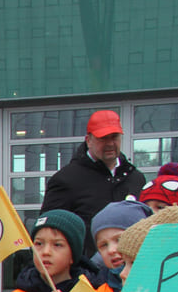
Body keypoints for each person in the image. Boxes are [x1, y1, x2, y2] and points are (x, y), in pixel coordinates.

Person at [41, 110, 146, 257]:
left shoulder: (136, 178)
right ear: (88, 140)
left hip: (132, 269)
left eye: (114, 137)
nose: (110, 143)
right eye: (103, 138)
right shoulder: (66, 180)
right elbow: (48, 233)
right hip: (88, 274)